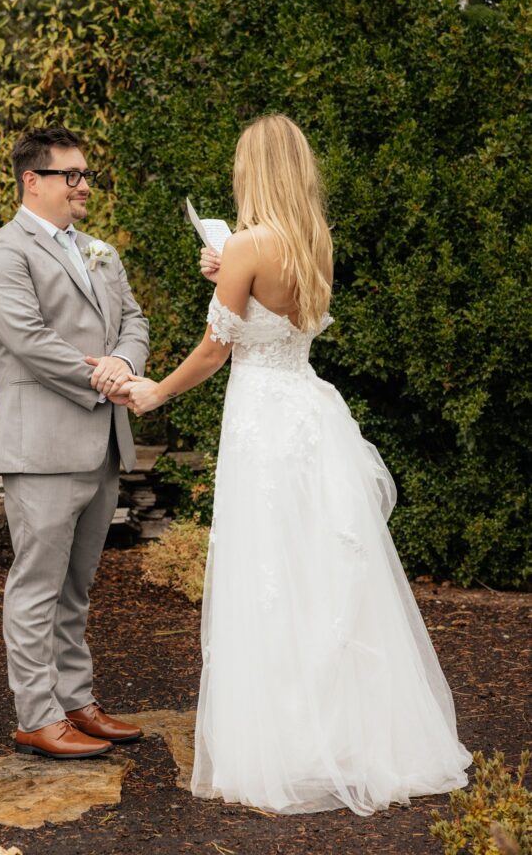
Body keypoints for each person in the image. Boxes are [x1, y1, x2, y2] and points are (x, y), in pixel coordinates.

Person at [123, 114, 472, 815]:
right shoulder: (313, 241)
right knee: (321, 574)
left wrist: (153, 391)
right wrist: (227, 271)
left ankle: (283, 745)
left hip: (261, 419)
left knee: (268, 571)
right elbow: (274, 313)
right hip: (308, 411)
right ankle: (345, 734)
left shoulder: (250, 242)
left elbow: (216, 348)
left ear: (252, 171)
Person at [0, 126, 149, 759]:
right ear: (32, 181)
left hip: (102, 441)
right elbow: (26, 338)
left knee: (77, 587)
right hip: (42, 446)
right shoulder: (0, 252)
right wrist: (101, 376)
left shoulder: (99, 250)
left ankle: (76, 701)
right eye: (71, 175)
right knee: (36, 586)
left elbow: (134, 319)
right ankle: (36, 714)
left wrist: (123, 364)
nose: (83, 186)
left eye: (85, 175)